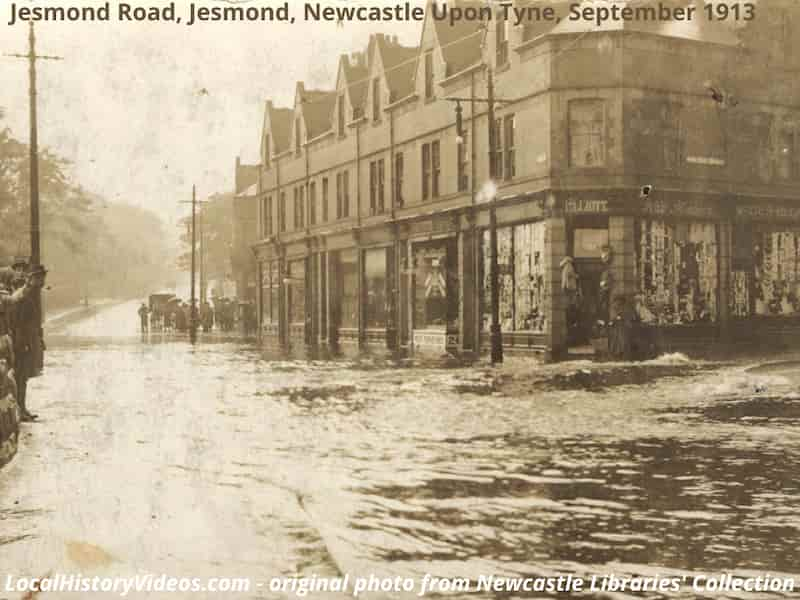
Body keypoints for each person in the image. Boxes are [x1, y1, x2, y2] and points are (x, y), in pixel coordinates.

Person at [2, 266, 46, 422]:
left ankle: (22, 408)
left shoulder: (32, 294)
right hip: (22, 343)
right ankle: (20, 410)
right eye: (39, 278)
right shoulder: (23, 295)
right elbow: (18, 322)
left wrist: (38, 340)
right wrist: (23, 343)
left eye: (42, 278)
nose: (42, 281)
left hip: (28, 340)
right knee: (20, 378)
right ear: (31, 278)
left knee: (24, 377)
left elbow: (34, 321)